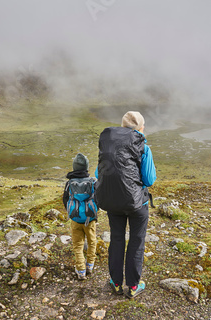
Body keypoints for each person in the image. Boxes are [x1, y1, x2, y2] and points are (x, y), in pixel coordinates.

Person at [95, 111, 157, 298]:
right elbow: (149, 179)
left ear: (122, 127)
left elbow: (99, 175)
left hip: (113, 202)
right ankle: (132, 286)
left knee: (116, 240)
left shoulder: (109, 146)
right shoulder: (143, 146)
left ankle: (115, 284)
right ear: (140, 128)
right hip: (137, 204)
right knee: (136, 242)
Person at [63, 153, 98, 280]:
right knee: (92, 241)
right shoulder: (93, 181)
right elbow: (98, 198)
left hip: (75, 219)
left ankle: (81, 270)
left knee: (78, 245)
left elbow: (65, 199)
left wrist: (72, 212)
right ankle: (90, 265)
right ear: (86, 168)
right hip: (90, 219)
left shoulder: (69, 183)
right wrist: (94, 212)